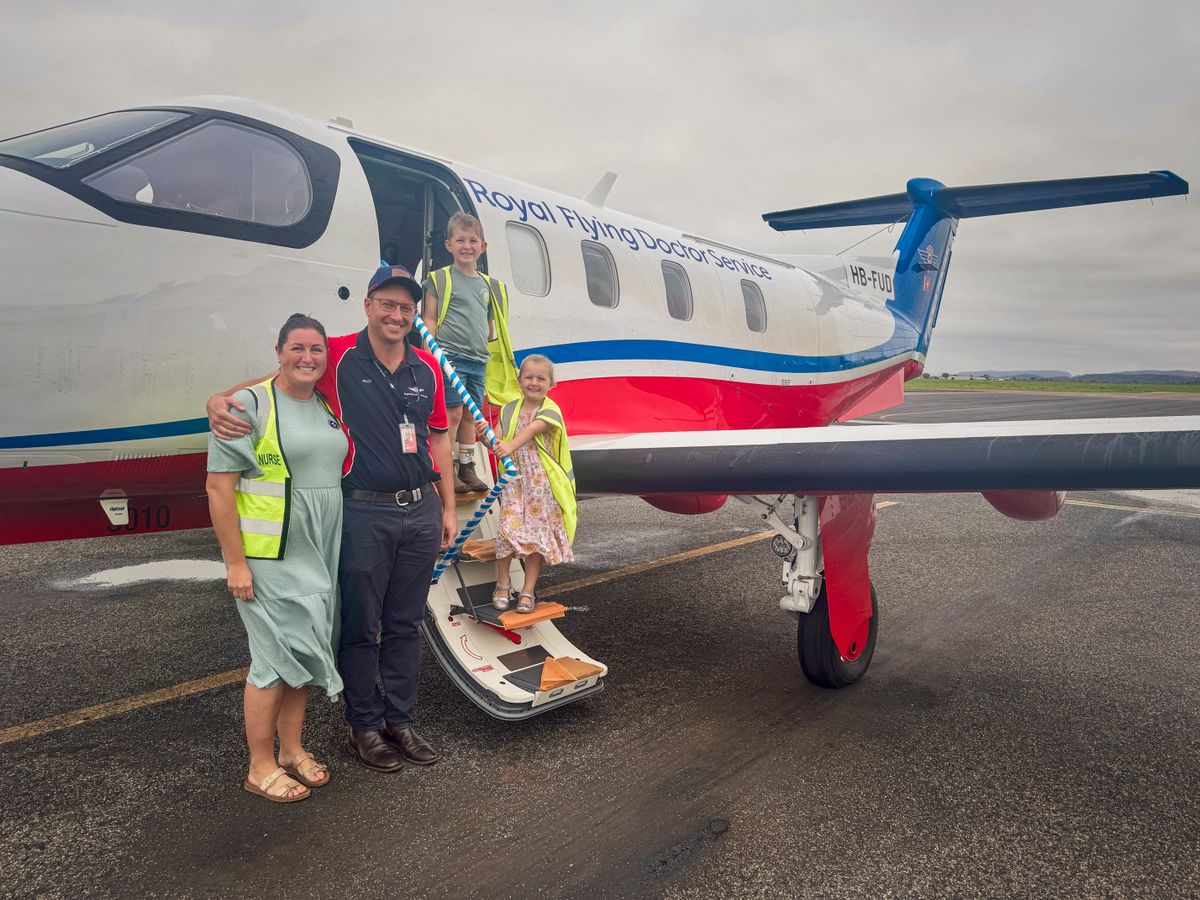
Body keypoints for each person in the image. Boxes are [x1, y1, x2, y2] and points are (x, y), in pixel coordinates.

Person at [207, 265, 457, 774]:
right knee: (361, 627)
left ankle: (400, 722)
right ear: (367, 305)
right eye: (386, 303)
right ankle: (363, 726)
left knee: (406, 624)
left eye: (406, 307)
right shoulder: (337, 353)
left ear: (415, 315)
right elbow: (273, 381)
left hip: (421, 509)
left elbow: (439, 438)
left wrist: (449, 506)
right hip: (363, 508)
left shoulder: (428, 367)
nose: (396, 314)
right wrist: (219, 399)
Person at [206, 313, 347, 803]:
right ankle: (259, 766)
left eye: (316, 350)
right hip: (271, 555)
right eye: (297, 348)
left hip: (320, 550)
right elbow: (219, 489)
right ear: (279, 351)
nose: (307, 358)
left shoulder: (327, 402)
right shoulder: (248, 405)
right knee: (270, 661)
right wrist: (235, 563)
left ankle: (290, 750)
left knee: (305, 653)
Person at [422, 211, 518, 493]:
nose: (467, 245)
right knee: (451, 413)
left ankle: (467, 466)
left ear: (483, 247)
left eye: (473, 240)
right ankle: (445, 467)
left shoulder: (488, 286)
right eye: (460, 240)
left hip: (477, 361)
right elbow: (429, 317)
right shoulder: (438, 279)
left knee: (471, 416)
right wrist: (432, 354)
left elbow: (490, 326)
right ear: (449, 245)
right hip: (450, 358)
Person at [478, 355, 577, 613]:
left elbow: (533, 430)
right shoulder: (510, 408)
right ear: (520, 380)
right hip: (514, 481)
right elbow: (498, 439)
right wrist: (486, 436)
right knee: (506, 530)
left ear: (550, 383)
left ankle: (528, 591)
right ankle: (503, 583)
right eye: (529, 377)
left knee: (535, 537)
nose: (534, 382)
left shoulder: (550, 410)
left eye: (540, 378)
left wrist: (509, 446)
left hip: (540, 483)